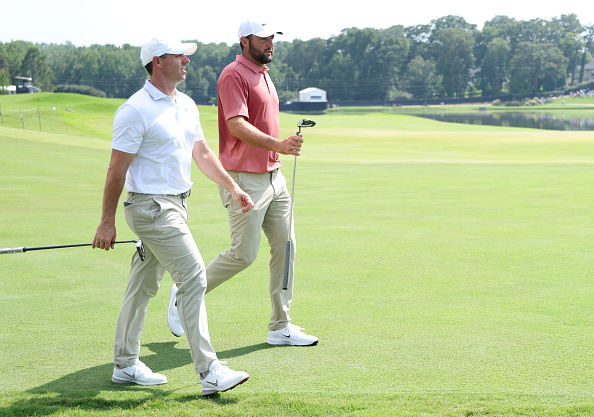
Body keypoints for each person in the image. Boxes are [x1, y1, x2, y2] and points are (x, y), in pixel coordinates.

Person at [93, 38, 254, 395]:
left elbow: (203, 154)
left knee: (143, 285)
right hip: (151, 208)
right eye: (179, 55)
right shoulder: (134, 110)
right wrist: (106, 221)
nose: (186, 61)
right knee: (194, 276)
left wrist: (233, 187)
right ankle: (209, 371)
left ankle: (125, 364)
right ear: (157, 61)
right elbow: (116, 170)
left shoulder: (187, 105)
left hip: (176, 205)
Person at [167, 21, 318, 347]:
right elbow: (236, 125)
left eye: (272, 37)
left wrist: (278, 151)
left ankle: (280, 326)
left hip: (275, 177)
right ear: (244, 41)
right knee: (243, 255)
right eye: (263, 38)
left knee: (286, 247)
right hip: (244, 179)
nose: (270, 43)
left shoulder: (264, 73)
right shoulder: (233, 75)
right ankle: (184, 291)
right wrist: (279, 145)